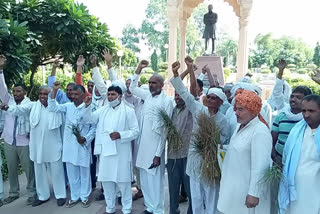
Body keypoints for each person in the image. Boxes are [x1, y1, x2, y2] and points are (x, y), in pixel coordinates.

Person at [171, 57, 230, 214]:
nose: (210, 100)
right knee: (196, 199)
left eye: (214, 98)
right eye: (209, 97)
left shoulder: (223, 120)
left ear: (220, 102)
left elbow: (225, 141)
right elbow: (184, 93)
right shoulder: (198, 109)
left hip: (212, 164)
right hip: (195, 161)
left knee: (211, 199)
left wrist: (212, 144)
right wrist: (176, 73)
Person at [2, 86, 66, 207]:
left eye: (45, 94)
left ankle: (60, 195)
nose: (42, 96)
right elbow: (19, 110)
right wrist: (8, 108)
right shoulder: (33, 106)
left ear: (50, 95)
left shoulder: (56, 108)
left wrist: (63, 144)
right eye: (40, 94)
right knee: (39, 171)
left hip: (53, 144)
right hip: (37, 145)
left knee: (57, 171)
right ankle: (43, 195)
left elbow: (62, 128)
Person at [82, 85, 139, 214]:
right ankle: (110, 208)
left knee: (123, 184)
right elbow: (88, 119)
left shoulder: (128, 111)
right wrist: (86, 107)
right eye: (108, 94)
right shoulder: (103, 110)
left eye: (113, 94)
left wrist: (121, 135)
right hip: (106, 153)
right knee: (107, 183)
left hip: (121, 153)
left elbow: (136, 131)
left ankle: (127, 209)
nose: (110, 97)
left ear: (120, 96)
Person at [130, 60, 174, 214]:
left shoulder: (166, 101)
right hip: (142, 146)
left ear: (162, 85)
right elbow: (132, 87)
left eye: (154, 83)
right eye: (149, 83)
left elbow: (164, 130)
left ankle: (158, 210)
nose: (151, 85)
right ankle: (149, 207)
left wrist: (158, 154)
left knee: (155, 181)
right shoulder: (148, 96)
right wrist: (139, 69)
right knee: (145, 180)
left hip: (155, 148)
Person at [217, 89, 272, 214]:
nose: (235, 113)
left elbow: (261, 166)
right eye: (235, 109)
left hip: (246, 192)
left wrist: (254, 193)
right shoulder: (240, 126)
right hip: (233, 187)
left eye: (240, 109)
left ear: (253, 110)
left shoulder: (260, 131)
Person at [48, 82, 96, 208]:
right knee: (72, 173)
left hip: (83, 145)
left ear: (83, 94)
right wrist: (54, 91)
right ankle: (75, 197)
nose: (73, 96)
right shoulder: (68, 106)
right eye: (72, 94)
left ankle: (85, 197)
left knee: (84, 173)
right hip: (69, 146)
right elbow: (52, 107)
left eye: (76, 94)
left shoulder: (90, 106)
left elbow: (94, 127)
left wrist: (86, 138)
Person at [0, 55, 36, 205]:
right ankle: (13, 193)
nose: (15, 94)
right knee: (12, 169)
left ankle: (32, 193)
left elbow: (19, 111)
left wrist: (8, 108)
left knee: (29, 170)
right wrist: (1, 69)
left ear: (25, 93)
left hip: (25, 142)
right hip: (9, 141)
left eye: (18, 91)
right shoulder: (8, 99)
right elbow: (1, 88)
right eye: (14, 91)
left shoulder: (30, 104)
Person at [278, 95, 320, 214]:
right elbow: (286, 157)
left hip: (315, 193)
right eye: (304, 111)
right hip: (294, 192)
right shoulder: (297, 129)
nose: (306, 115)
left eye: (311, 111)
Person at [167, 91, 193, 214]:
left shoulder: (191, 109)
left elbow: (193, 92)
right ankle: (173, 211)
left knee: (189, 189)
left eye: (180, 95)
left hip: (186, 154)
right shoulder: (170, 110)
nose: (177, 98)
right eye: (176, 95)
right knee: (173, 188)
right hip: (172, 154)